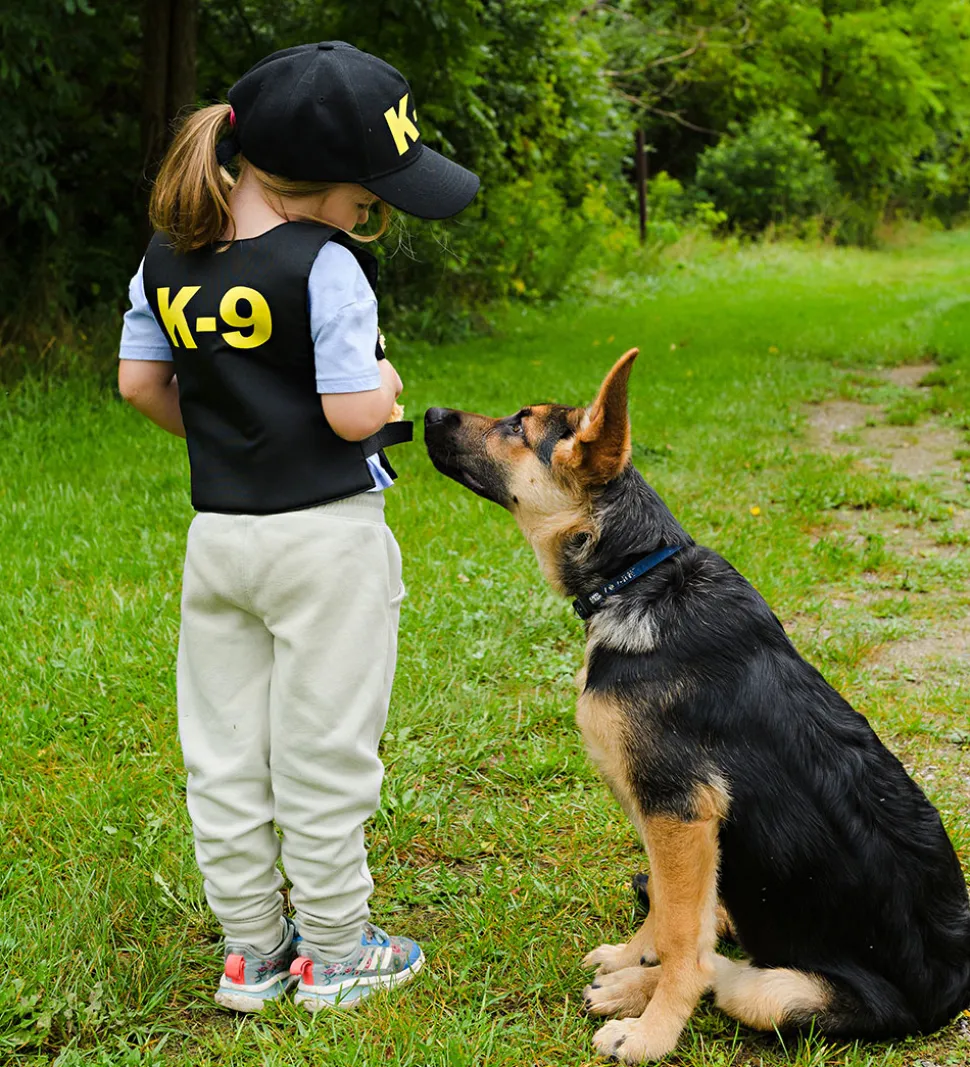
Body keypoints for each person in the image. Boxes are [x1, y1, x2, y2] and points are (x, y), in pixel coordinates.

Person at [117, 41, 479, 1013]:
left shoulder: (164, 255)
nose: (384, 210)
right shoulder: (328, 265)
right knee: (323, 748)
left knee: (226, 750)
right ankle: (332, 950)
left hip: (220, 541)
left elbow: (139, 383)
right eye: (375, 190)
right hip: (325, 543)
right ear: (323, 183)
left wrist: (241, 431)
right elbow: (354, 411)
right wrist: (390, 388)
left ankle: (251, 950)